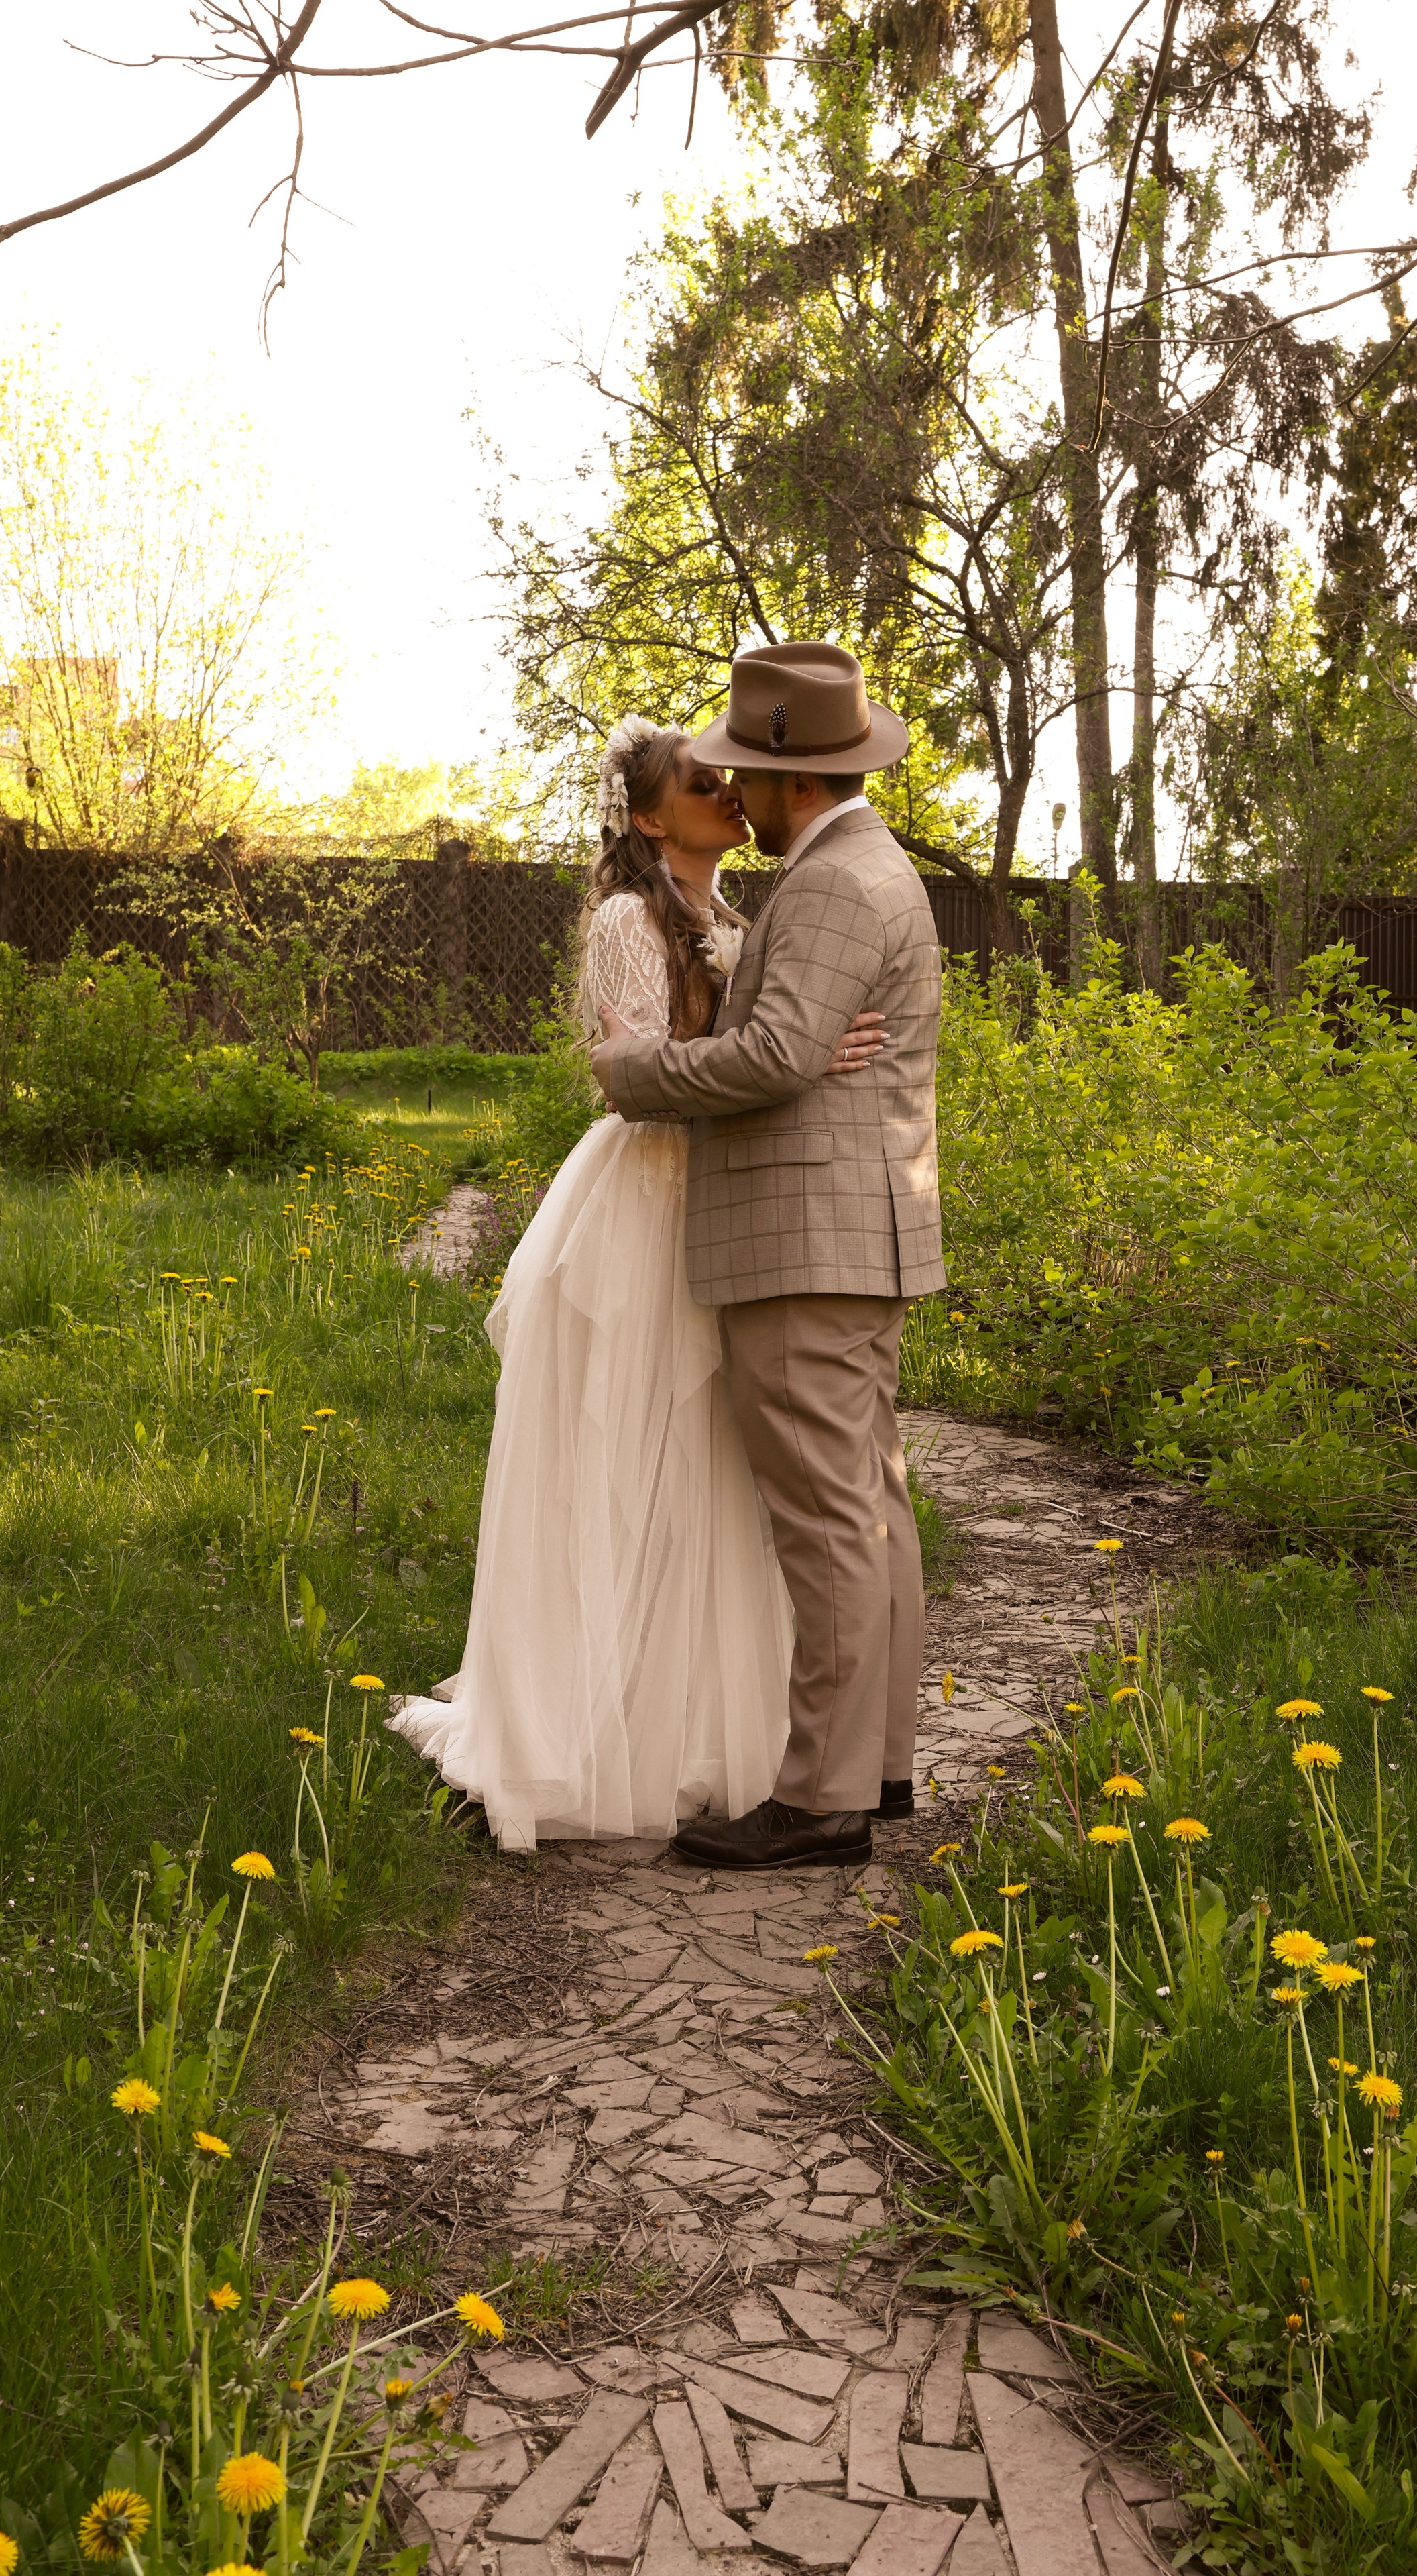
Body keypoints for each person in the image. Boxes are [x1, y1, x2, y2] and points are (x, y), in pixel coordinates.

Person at [389, 718, 885, 1847]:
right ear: (650, 817)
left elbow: (763, 1048)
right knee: (618, 1447)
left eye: (728, 780)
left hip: (717, 1199)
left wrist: (808, 1047)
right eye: (701, 784)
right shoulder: (626, 921)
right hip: (642, 1203)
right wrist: (795, 1062)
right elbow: (636, 1079)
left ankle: (689, 1719)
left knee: (709, 1462)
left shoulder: (736, 920)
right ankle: (581, 1719)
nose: (726, 791)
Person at [590, 640, 945, 1873]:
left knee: (828, 1519)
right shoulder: (854, 866)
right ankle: (877, 1770)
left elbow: (781, 1055)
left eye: (749, 771)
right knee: (869, 1506)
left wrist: (635, 1079)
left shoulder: (838, 884)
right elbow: (797, 1043)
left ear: (798, 780)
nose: (735, 792)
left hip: (807, 1241)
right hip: (849, 1232)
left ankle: (822, 1798)